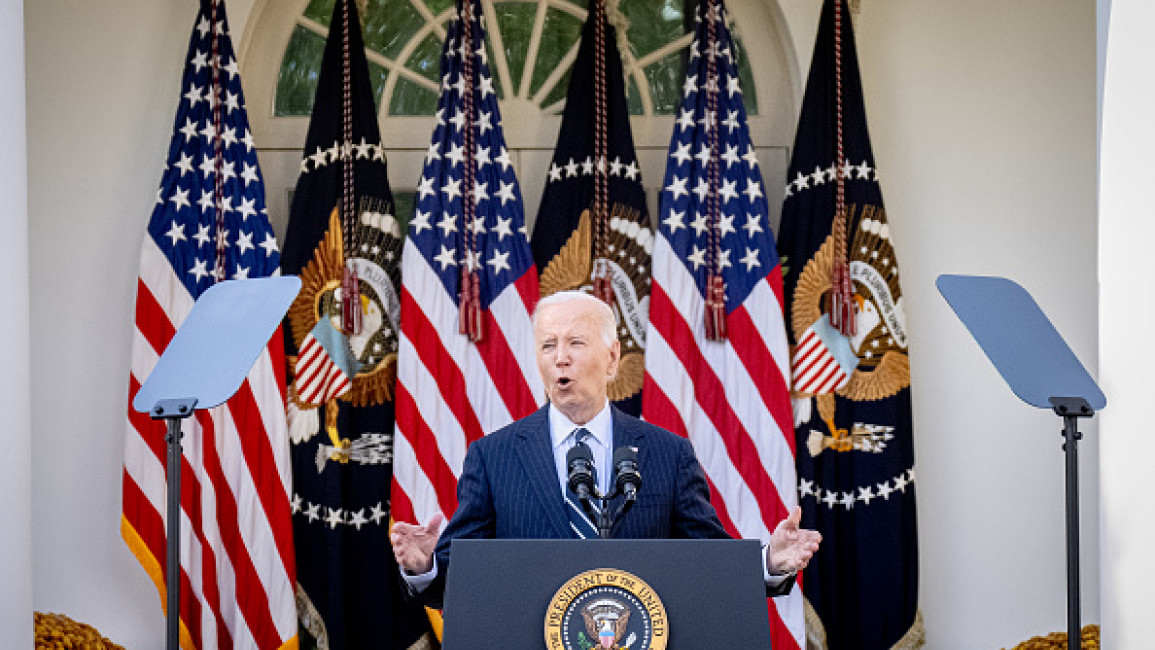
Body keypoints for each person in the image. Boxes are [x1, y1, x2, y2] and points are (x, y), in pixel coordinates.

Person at [391, 290, 821, 608]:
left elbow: (706, 561)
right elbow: (459, 581)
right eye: (548, 345)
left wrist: (769, 562)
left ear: (613, 358)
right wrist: (425, 565)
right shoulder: (493, 456)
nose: (560, 357)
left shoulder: (667, 455)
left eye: (576, 343)